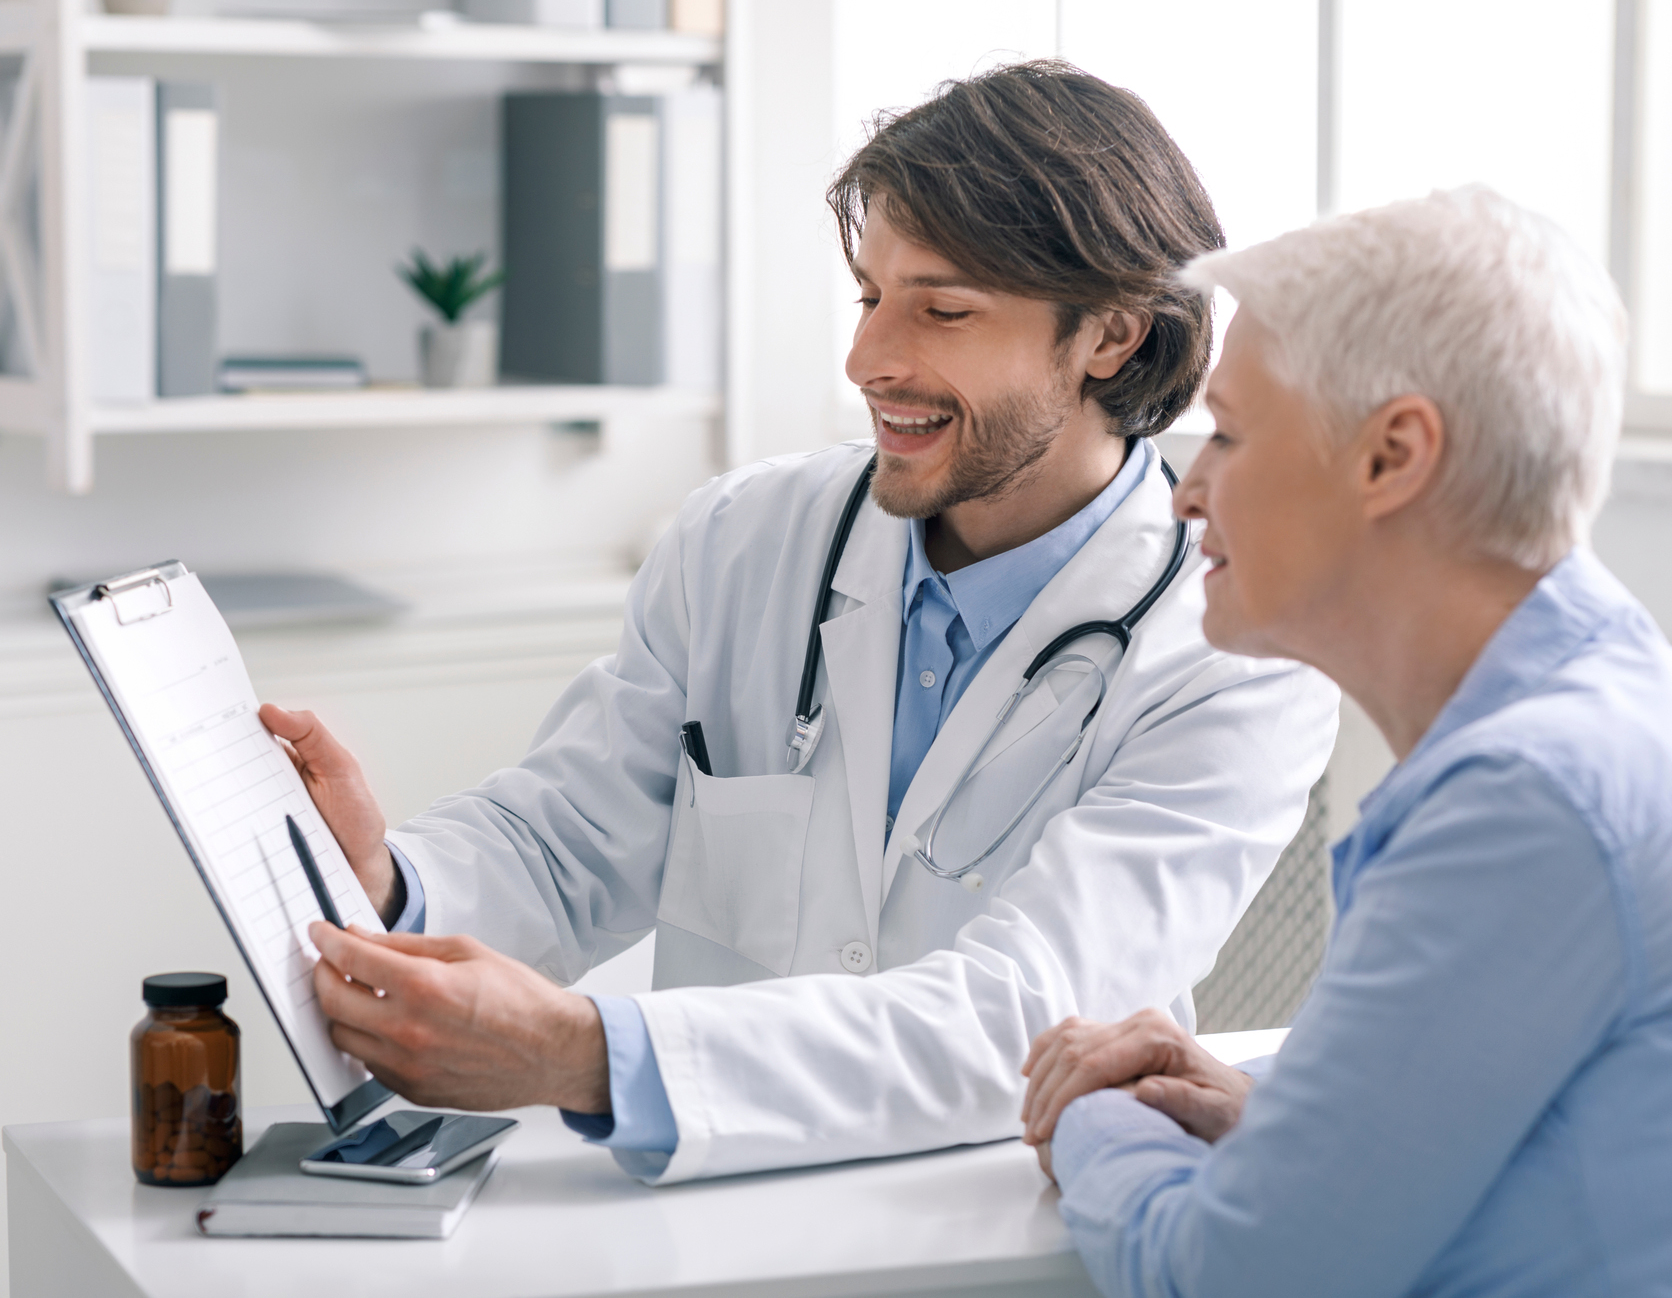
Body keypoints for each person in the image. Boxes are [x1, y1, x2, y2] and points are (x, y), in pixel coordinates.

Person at [266, 61, 1337, 1186]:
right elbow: (570, 835)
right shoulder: (745, 538)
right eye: (871, 295)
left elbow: (1027, 1011)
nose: (869, 359)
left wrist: (585, 1054)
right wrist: (385, 876)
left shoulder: (1239, 643)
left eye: (944, 309)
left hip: (999, 1220)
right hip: (705, 1220)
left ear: (1110, 336)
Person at [1019, 186, 1672, 1294]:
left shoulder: (1521, 800)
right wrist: (1276, 1118)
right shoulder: (1609, 707)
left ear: (1392, 455)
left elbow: (1235, 1273)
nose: (1189, 492)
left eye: (1225, 431)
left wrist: (1092, 1120)